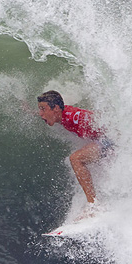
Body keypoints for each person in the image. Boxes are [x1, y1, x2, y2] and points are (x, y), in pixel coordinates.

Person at [37, 90, 113, 220]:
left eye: (43, 109)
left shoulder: (73, 117)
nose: (40, 114)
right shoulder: (61, 114)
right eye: (40, 109)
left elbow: (97, 120)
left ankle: (94, 205)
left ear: (55, 108)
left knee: (76, 159)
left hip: (110, 140)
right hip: (105, 141)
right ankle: (100, 201)